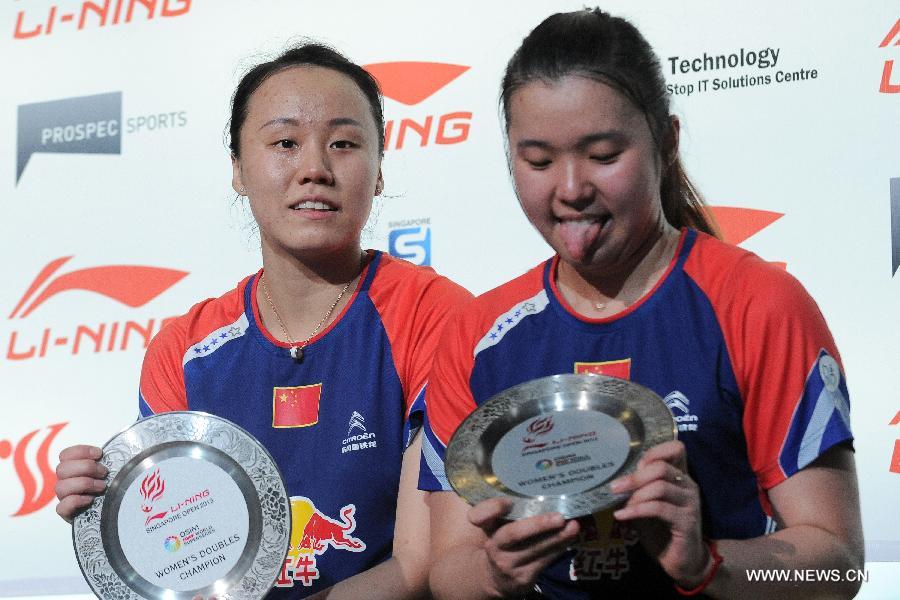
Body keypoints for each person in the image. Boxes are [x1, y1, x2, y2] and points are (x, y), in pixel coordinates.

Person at [420, 8, 863, 599]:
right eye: (538, 161)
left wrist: (706, 565)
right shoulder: (478, 335)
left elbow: (835, 565)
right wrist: (497, 574)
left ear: (667, 143)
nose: (571, 188)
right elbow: (449, 571)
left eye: (603, 155)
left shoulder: (758, 305)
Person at [54, 43, 471, 599]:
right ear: (238, 170)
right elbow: (181, 564)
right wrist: (111, 514)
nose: (315, 169)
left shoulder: (433, 314)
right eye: (285, 143)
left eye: (344, 144)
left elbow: (420, 566)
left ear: (378, 171)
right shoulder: (184, 350)